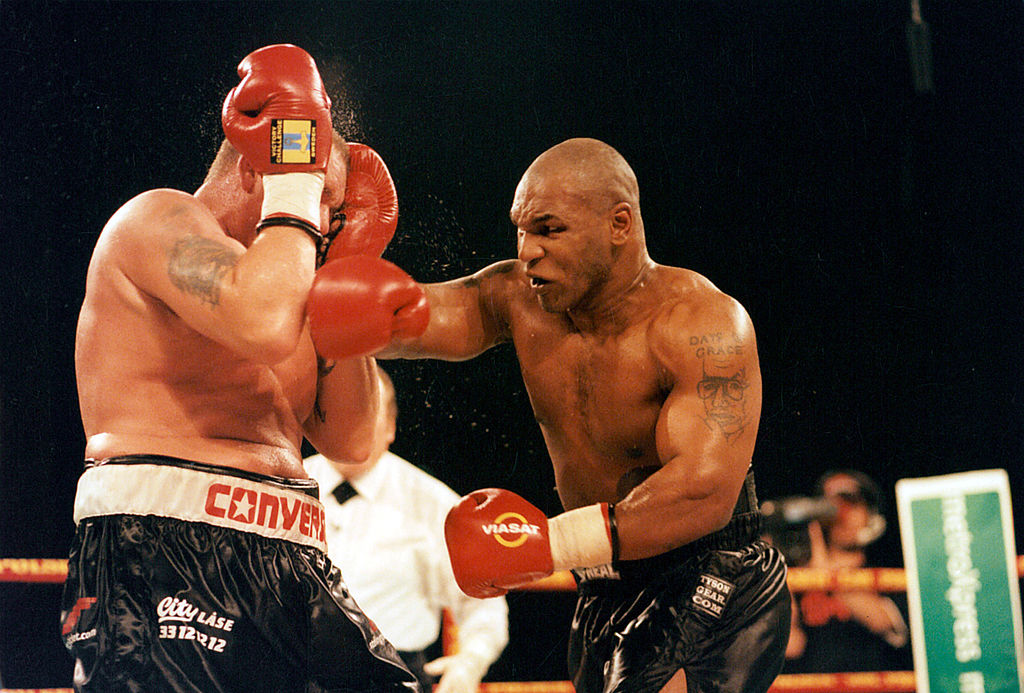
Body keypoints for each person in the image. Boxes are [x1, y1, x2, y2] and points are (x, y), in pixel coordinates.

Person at [324, 137, 790, 692]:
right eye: (521, 230)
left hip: (708, 569)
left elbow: (703, 492)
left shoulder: (702, 322)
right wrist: (336, 266)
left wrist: (547, 544)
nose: (527, 250)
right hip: (602, 581)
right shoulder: (518, 298)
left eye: (548, 230)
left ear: (620, 224)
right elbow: (403, 319)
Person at [61, 43, 430, 692]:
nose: (327, 226)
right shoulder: (157, 221)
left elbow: (352, 438)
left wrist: (346, 275)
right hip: (166, 551)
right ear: (266, 172)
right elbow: (256, 321)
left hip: (296, 564)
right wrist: (299, 180)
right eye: (327, 205)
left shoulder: (295, 278)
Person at [305, 366, 509, 693]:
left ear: (390, 427)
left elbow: (483, 603)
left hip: (393, 679)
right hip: (295, 674)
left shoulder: (435, 503)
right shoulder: (287, 486)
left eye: (365, 416)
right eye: (339, 414)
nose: (350, 427)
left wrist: (469, 665)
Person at [784, 470, 910, 673]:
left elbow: (882, 621)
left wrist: (824, 575)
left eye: (851, 503)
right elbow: (791, 647)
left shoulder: (888, 577)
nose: (841, 513)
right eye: (830, 505)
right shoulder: (798, 578)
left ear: (871, 515)